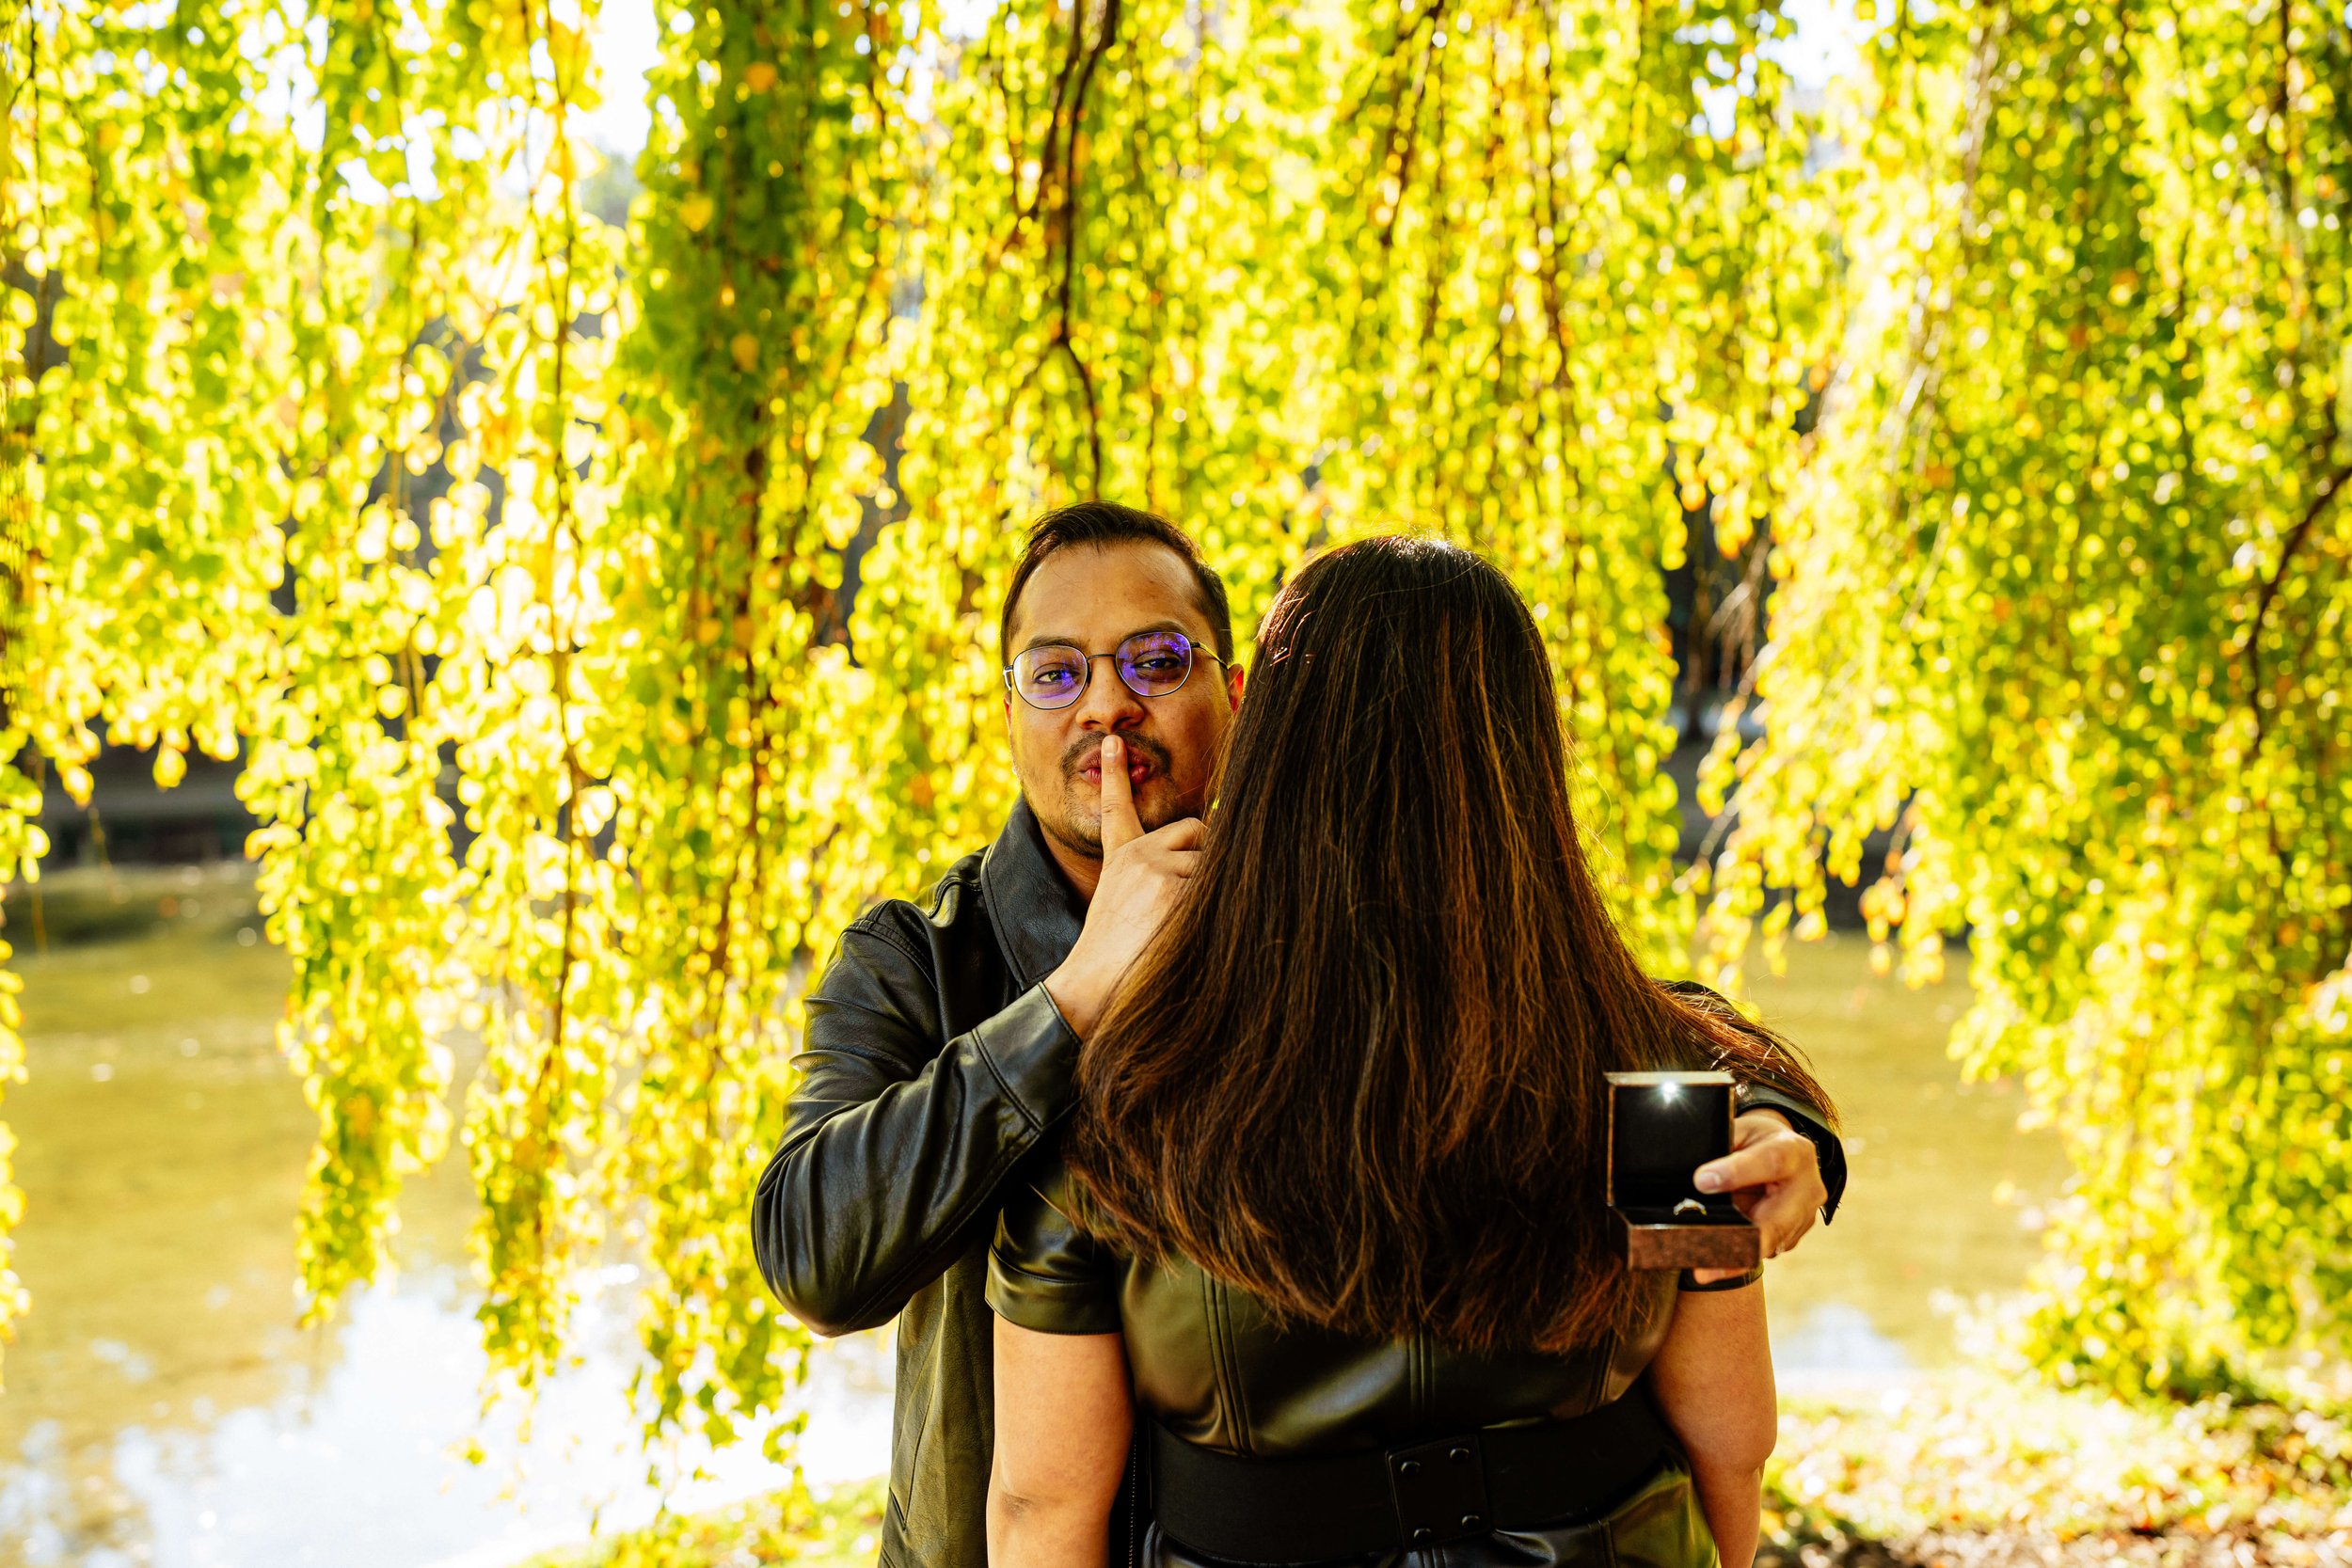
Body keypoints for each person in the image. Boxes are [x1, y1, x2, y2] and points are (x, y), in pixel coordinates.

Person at [752, 506, 1845, 1568]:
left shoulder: (1346, 931)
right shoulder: (918, 961)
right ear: (1008, 710)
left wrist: (1771, 1122)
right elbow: (815, 1258)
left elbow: (1594, 1007)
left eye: (1154, 659)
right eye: (1055, 672)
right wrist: (1073, 996)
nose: (1105, 707)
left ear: (1242, 701)